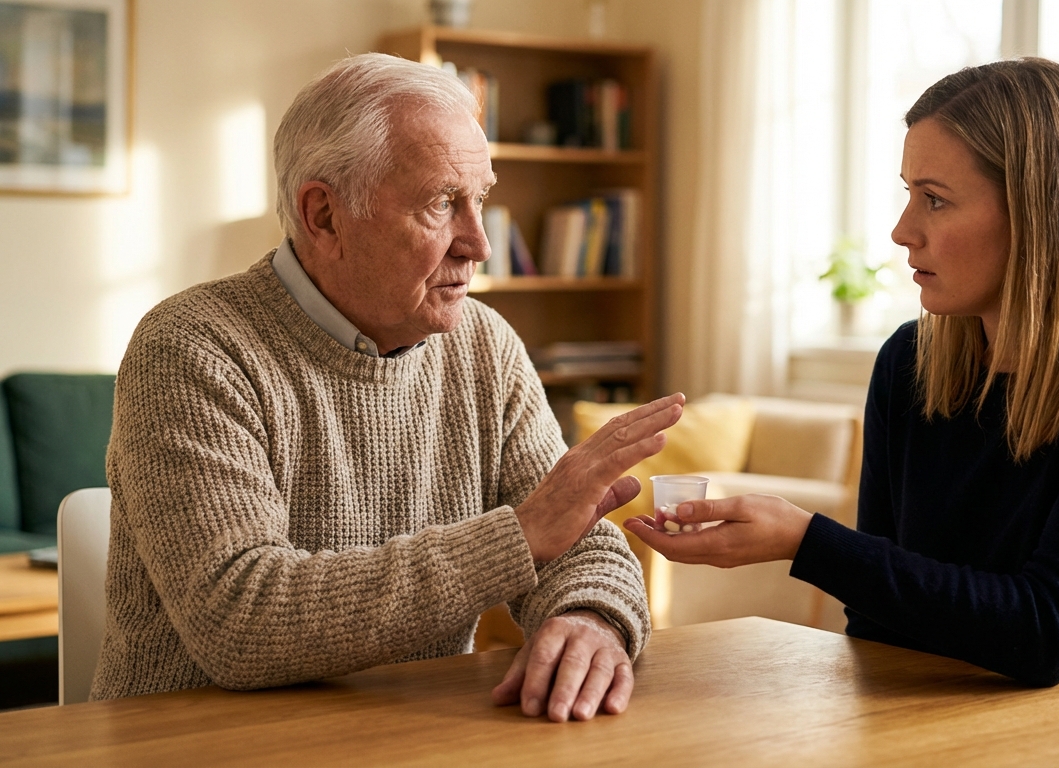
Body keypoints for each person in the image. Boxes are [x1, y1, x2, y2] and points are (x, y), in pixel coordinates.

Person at [627, 58, 1059, 714]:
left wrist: (805, 542)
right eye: (907, 192)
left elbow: (1050, 632)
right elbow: (881, 627)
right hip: (969, 724)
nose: (901, 230)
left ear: (1040, 212)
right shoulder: (910, 365)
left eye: (935, 199)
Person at [92, 53, 684, 725]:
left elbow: (576, 539)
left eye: (480, 198)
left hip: (414, 737)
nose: (479, 245)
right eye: (441, 203)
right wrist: (517, 538)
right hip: (194, 744)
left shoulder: (483, 345)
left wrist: (589, 618)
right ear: (323, 216)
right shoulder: (191, 347)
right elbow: (242, 620)